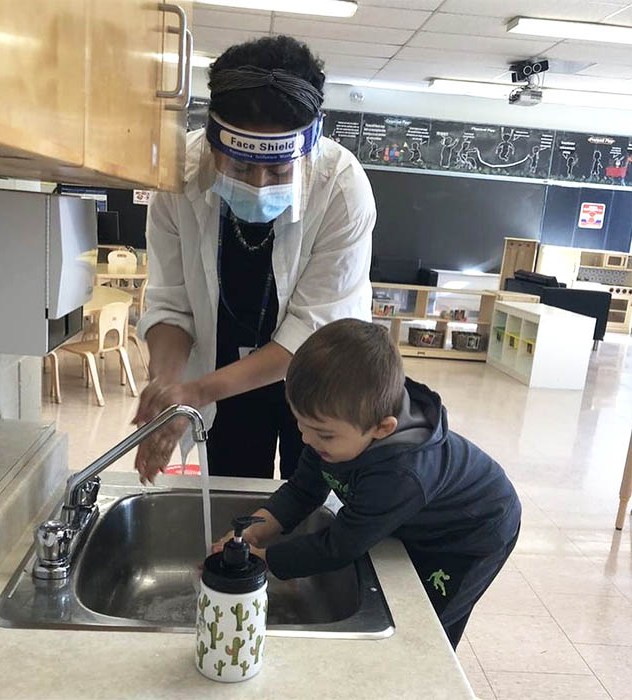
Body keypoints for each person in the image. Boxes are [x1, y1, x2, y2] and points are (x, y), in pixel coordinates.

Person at [133, 36, 375, 483]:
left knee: (311, 504)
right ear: (211, 142)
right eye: (240, 168)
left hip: (323, 378)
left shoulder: (341, 188)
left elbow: (312, 332)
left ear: (306, 149)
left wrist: (196, 391)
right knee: (235, 502)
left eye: (279, 171)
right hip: (225, 373)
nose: (260, 185)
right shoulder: (176, 178)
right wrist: (168, 388)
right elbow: (172, 304)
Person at [214, 319, 521, 649]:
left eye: (322, 434)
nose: (306, 438)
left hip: (472, 533)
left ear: (382, 428)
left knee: (426, 625)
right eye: (301, 425)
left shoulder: (401, 475)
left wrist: (266, 560)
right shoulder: (339, 428)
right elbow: (303, 489)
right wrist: (259, 528)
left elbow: (340, 546)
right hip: (419, 515)